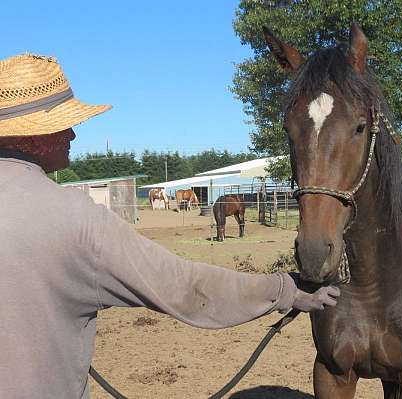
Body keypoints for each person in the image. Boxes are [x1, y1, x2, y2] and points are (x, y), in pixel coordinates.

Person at [0, 54, 340, 399]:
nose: (73, 133)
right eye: (63, 124)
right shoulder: (74, 218)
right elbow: (185, 288)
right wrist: (286, 290)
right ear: (31, 136)